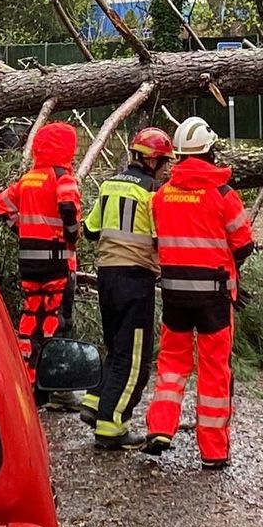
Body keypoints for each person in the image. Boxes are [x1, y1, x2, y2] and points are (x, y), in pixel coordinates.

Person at [141, 116, 255, 469]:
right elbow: (244, 244)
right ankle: (213, 451)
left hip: (174, 294)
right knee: (214, 371)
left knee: (172, 363)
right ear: (210, 151)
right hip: (214, 298)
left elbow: (158, 241)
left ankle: (160, 427)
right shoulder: (223, 195)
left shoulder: (162, 195)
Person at [80, 126, 174, 448]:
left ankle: (95, 401)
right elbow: (162, 239)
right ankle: (112, 424)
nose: (166, 170)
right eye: (165, 163)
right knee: (134, 359)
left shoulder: (109, 186)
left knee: (116, 347)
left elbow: (90, 230)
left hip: (106, 277)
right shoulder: (151, 195)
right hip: (136, 279)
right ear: (153, 161)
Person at [0, 122, 83, 392]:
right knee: (56, 321)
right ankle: (55, 385)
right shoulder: (62, 177)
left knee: (31, 317)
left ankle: (26, 378)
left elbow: (0, 204)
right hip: (58, 262)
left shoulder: (28, 179)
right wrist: (72, 235)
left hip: (29, 264)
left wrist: (21, 229)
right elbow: (68, 205)